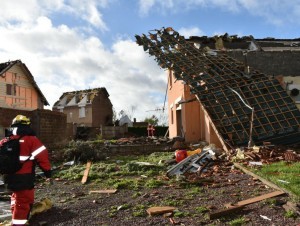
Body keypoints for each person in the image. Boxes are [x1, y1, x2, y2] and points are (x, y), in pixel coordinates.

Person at [0, 115, 52, 226]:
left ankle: (15, 218)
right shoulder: (32, 140)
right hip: (24, 177)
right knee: (23, 202)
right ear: (27, 125)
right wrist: (48, 173)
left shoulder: (5, 141)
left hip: (8, 176)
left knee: (15, 197)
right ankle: (18, 224)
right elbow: (42, 158)